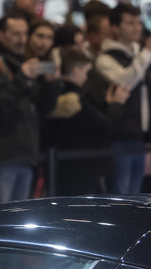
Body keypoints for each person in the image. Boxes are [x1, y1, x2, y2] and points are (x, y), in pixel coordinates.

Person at [91, 4, 151, 193]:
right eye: (130, 23)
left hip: (141, 137)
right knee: (119, 197)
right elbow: (125, 82)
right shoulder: (105, 58)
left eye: (138, 22)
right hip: (118, 138)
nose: (136, 28)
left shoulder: (139, 56)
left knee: (134, 197)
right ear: (114, 28)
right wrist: (147, 52)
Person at [0, 12, 49, 204]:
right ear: (0, 36)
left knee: (16, 222)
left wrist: (51, 84)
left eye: (24, 34)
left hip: (26, 156)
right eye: (15, 34)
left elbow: (42, 109)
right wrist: (22, 79)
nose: (22, 40)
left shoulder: (21, 65)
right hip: (2, 158)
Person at [44, 49, 128, 195]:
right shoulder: (74, 98)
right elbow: (104, 126)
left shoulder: (55, 93)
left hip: (63, 166)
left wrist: (107, 105)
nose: (87, 77)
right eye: (86, 72)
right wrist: (117, 104)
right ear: (76, 71)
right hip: (79, 170)